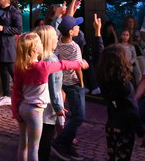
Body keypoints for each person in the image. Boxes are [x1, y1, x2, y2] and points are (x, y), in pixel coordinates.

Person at [12, 32, 89, 161]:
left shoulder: (20, 66)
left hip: (23, 108)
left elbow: (16, 92)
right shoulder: (43, 66)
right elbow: (63, 64)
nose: (43, 45)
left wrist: (15, 111)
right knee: (34, 147)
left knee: (23, 143)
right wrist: (79, 64)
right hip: (35, 111)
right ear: (35, 49)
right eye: (40, 43)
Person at [96, 45, 145, 161]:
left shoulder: (104, 81)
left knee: (111, 156)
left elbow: (99, 52)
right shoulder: (125, 85)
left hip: (111, 125)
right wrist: (140, 133)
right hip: (125, 128)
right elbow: (132, 110)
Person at [49, 16, 85, 159]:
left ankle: (66, 144)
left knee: (76, 115)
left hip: (62, 81)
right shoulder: (74, 47)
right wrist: (82, 83)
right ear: (70, 32)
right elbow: (78, 67)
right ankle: (60, 142)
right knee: (79, 116)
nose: (79, 27)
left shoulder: (58, 41)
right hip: (73, 84)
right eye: (76, 26)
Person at [35, 25, 66, 161]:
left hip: (40, 102)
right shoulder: (50, 60)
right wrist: (58, 107)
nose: (57, 40)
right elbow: (52, 87)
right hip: (49, 105)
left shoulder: (42, 59)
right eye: (54, 38)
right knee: (46, 137)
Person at [0, 0, 23, 107]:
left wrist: (4, 29)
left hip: (8, 46)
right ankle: (6, 95)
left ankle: (23, 95)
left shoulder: (14, 12)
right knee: (2, 71)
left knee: (12, 71)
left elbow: (19, 29)